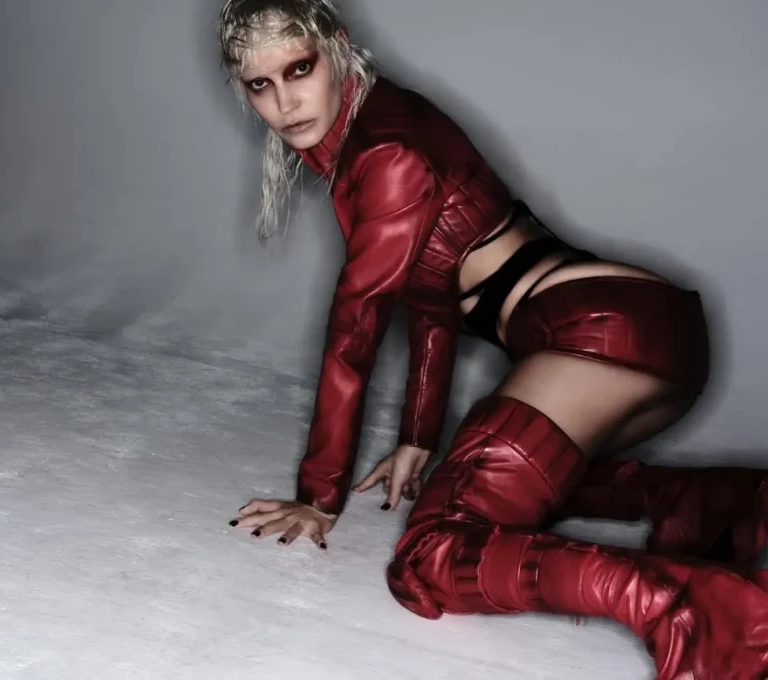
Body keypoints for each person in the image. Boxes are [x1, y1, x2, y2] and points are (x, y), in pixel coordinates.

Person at [217, 0, 768, 675]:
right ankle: (724, 502)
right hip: (653, 331)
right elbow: (433, 294)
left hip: (597, 334)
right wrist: (418, 438)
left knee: (432, 555)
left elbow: (355, 330)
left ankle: (703, 610)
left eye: (299, 69)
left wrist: (318, 497)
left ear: (336, 46)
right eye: (260, 84)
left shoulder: (386, 153)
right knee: (514, 491)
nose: (285, 102)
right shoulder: (383, 116)